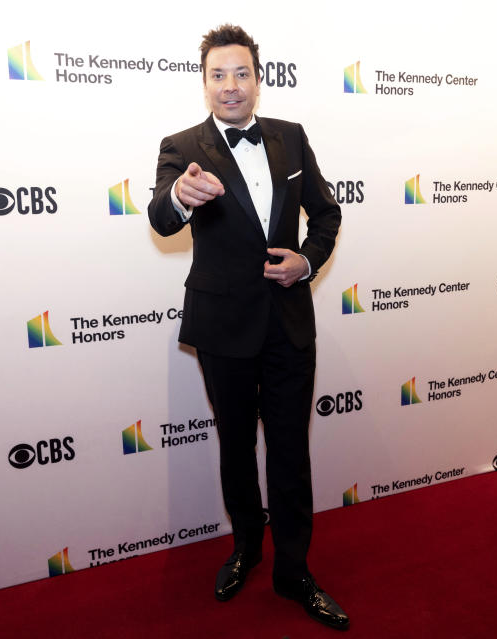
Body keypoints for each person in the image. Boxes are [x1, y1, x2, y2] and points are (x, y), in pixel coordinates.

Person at [147, 24, 347, 631]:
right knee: (235, 449)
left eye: (242, 73)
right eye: (218, 75)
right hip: (223, 326)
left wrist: (307, 261)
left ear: (259, 78)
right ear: (204, 82)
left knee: (290, 450)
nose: (231, 86)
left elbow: (327, 212)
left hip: (288, 325)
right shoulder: (182, 146)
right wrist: (181, 196)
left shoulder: (290, 138)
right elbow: (160, 219)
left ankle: (294, 569)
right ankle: (245, 550)